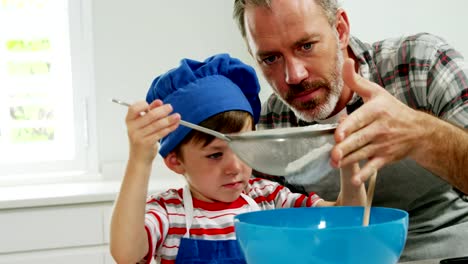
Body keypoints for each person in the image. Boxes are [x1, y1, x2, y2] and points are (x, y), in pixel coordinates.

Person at [232, 0, 468, 261]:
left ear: (340, 29)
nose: (294, 76)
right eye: (271, 58)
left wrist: (424, 134)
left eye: (306, 46)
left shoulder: (421, 65)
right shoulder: (272, 122)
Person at [109, 53, 366, 264]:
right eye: (215, 155)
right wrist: (139, 160)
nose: (235, 167)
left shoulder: (267, 198)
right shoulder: (168, 213)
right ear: (176, 161)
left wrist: (349, 162)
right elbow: (126, 253)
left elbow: (345, 221)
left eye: (243, 148)